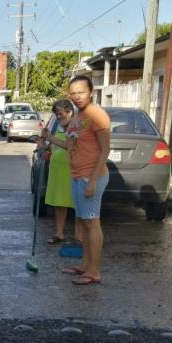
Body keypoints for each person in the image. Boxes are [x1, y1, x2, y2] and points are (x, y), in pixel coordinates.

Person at [63, 75, 111, 285]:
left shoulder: (97, 115)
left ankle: (94, 272)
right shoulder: (78, 116)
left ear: (91, 92)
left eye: (81, 92)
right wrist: (48, 138)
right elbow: (71, 145)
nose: (76, 96)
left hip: (92, 176)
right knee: (83, 221)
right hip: (77, 175)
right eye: (73, 93)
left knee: (92, 222)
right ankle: (84, 265)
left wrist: (92, 180)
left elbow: (105, 150)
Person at [41, 100, 80, 245]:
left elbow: (69, 146)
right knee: (59, 203)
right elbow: (52, 147)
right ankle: (59, 233)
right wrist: (43, 144)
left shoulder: (76, 126)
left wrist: (52, 138)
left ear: (70, 112)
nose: (58, 117)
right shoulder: (58, 126)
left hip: (72, 170)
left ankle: (78, 236)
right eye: (56, 114)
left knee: (77, 203)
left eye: (61, 114)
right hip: (57, 170)